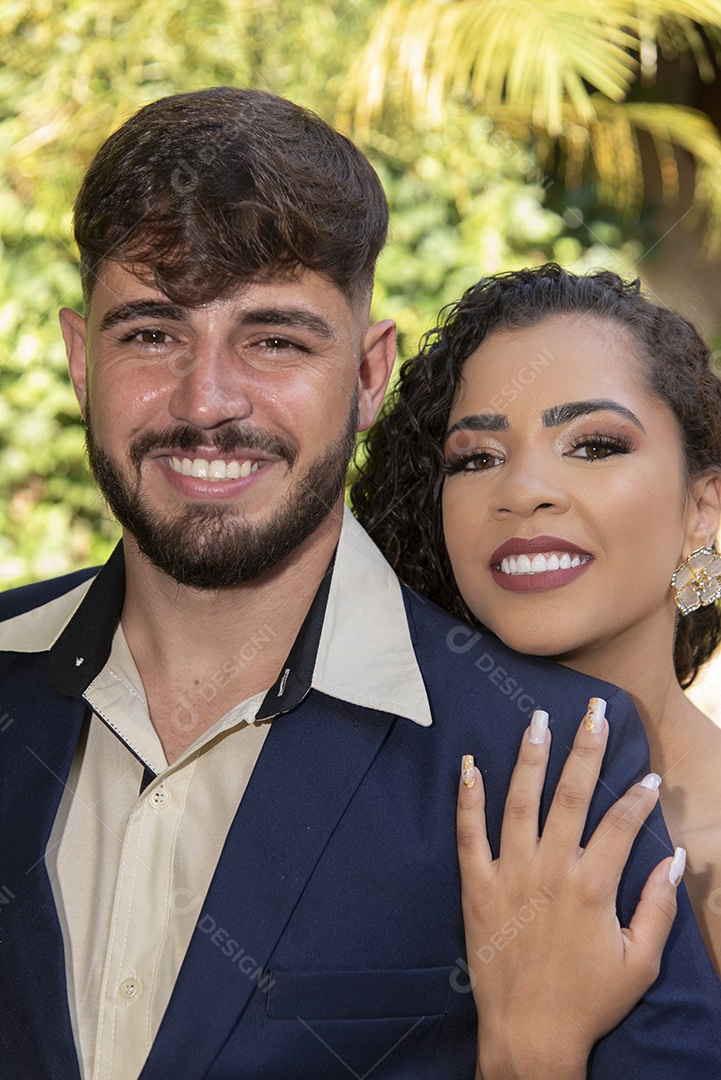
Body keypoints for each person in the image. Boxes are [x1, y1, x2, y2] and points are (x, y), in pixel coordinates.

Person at [0, 90, 715, 1080]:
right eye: (153, 333)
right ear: (82, 360)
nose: (207, 401)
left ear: (370, 373)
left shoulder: (551, 763)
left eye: (276, 340)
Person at [353, 263, 721, 1075]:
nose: (522, 491)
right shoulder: (362, 815)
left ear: (703, 511)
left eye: (592, 444)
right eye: (476, 458)